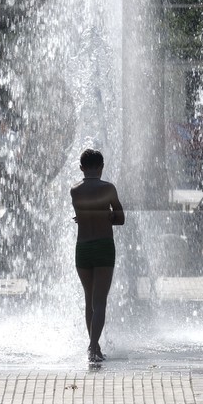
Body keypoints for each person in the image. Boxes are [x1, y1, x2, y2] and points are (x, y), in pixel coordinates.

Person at [71, 148, 124, 363]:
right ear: (101, 167)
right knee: (100, 301)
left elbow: (83, 214)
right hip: (103, 245)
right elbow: (120, 218)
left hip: (82, 247)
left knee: (89, 301)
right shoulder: (108, 189)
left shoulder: (74, 190)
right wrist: (108, 215)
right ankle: (93, 348)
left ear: (81, 168)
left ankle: (95, 347)